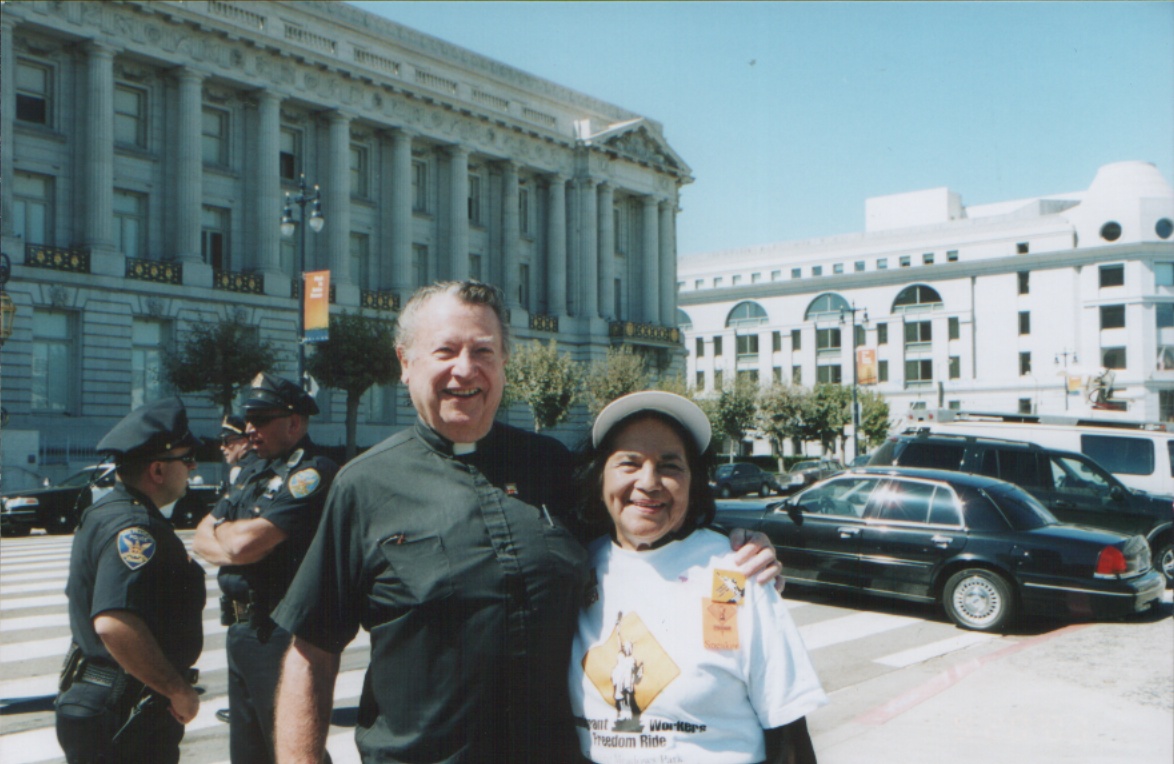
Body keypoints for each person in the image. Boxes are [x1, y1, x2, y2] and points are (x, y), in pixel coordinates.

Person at [272, 280, 781, 764]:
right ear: (405, 363)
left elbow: (643, 532)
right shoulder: (364, 485)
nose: (465, 370)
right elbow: (311, 647)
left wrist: (739, 549)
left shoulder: (553, 467)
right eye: (446, 351)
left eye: (484, 351)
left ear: (504, 363)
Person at [570, 391, 827, 764]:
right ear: (599, 476)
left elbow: (788, 729)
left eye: (670, 466)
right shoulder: (575, 564)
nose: (649, 481)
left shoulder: (740, 569)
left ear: (694, 482)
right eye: (629, 463)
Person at [193, 373, 338, 763]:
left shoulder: (311, 472)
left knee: (293, 747)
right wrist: (233, 545)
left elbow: (246, 543)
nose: (250, 429)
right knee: (250, 752)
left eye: (261, 419)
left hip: (282, 631)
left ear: (294, 423)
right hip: (242, 630)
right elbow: (201, 536)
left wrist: (231, 542)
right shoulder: (253, 470)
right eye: (248, 420)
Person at [56, 397, 206, 764]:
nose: (193, 467)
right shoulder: (136, 529)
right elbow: (114, 623)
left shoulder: (106, 512)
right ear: (157, 470)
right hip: (125, 711)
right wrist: (177, 690)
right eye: (186, 460)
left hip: (106, 702)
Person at [212, 413, 255, 726]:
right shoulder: (238, 474)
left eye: (228, 441)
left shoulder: (251, 474)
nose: (223, 448)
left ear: (244, 440)